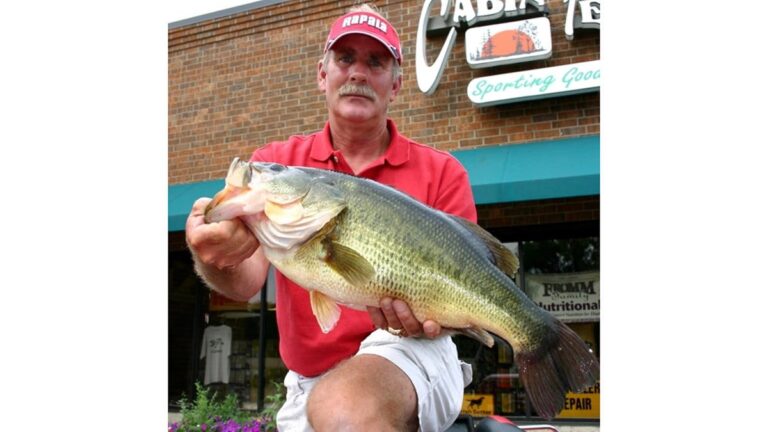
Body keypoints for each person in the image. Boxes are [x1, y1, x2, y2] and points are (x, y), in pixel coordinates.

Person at [185, 4, 477, 431]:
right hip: (307, 380)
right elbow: (245, 281)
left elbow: (459, 296)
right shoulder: (276, 164)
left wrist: (434, 319)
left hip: (415, 353)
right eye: (345, 59)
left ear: (395, 85)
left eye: (375, 62)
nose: (358, 72)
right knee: (333, 406)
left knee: (345, 409)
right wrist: (214, 255)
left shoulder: (443, 172)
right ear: (323, 75)